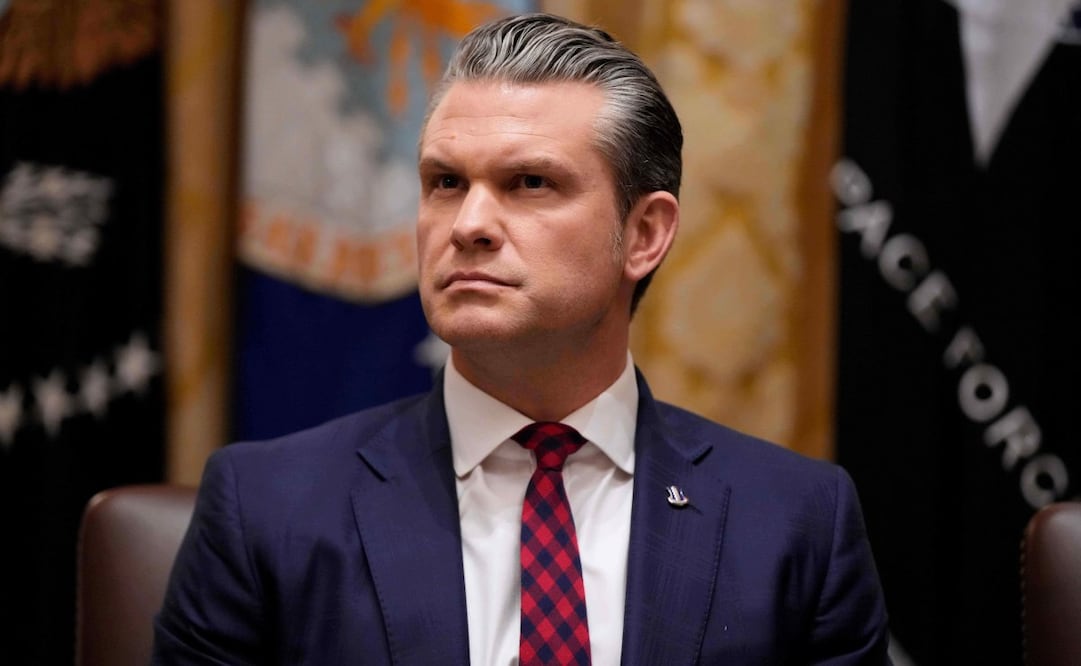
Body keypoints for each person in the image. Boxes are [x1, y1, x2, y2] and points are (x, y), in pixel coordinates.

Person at [153, 12, 890, 665]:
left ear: (643, 234)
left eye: (529, 183)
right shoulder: (266, 510)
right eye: (445, 182)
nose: (468, 224)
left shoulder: (796, 523)